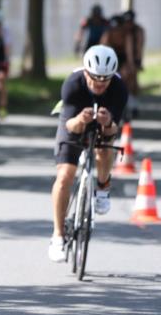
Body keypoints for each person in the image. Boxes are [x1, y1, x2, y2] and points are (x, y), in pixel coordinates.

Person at [48, 46, 128, 262]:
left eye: (105, 81)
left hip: (103, 124)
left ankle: (103, 187)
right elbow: (70, 127)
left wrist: (107, 122)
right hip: (75, 121)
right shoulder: (73, 84)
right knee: (64, 176)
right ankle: (57, 235)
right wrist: (81, 120)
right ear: (86, 73)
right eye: (95, 80)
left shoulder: (119, 88)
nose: (100, 85)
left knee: (104, 149)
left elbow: (113, 130)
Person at [100, 15, 138, 104]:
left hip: (123, 57)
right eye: (113, 29)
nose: (116, 32)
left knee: (128, 75)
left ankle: (130, 98)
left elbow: (129, 54)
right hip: (110, 58)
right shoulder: (107, 35)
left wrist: (131, 66)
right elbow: (102, 51)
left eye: (118, 29)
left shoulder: (127, 36)